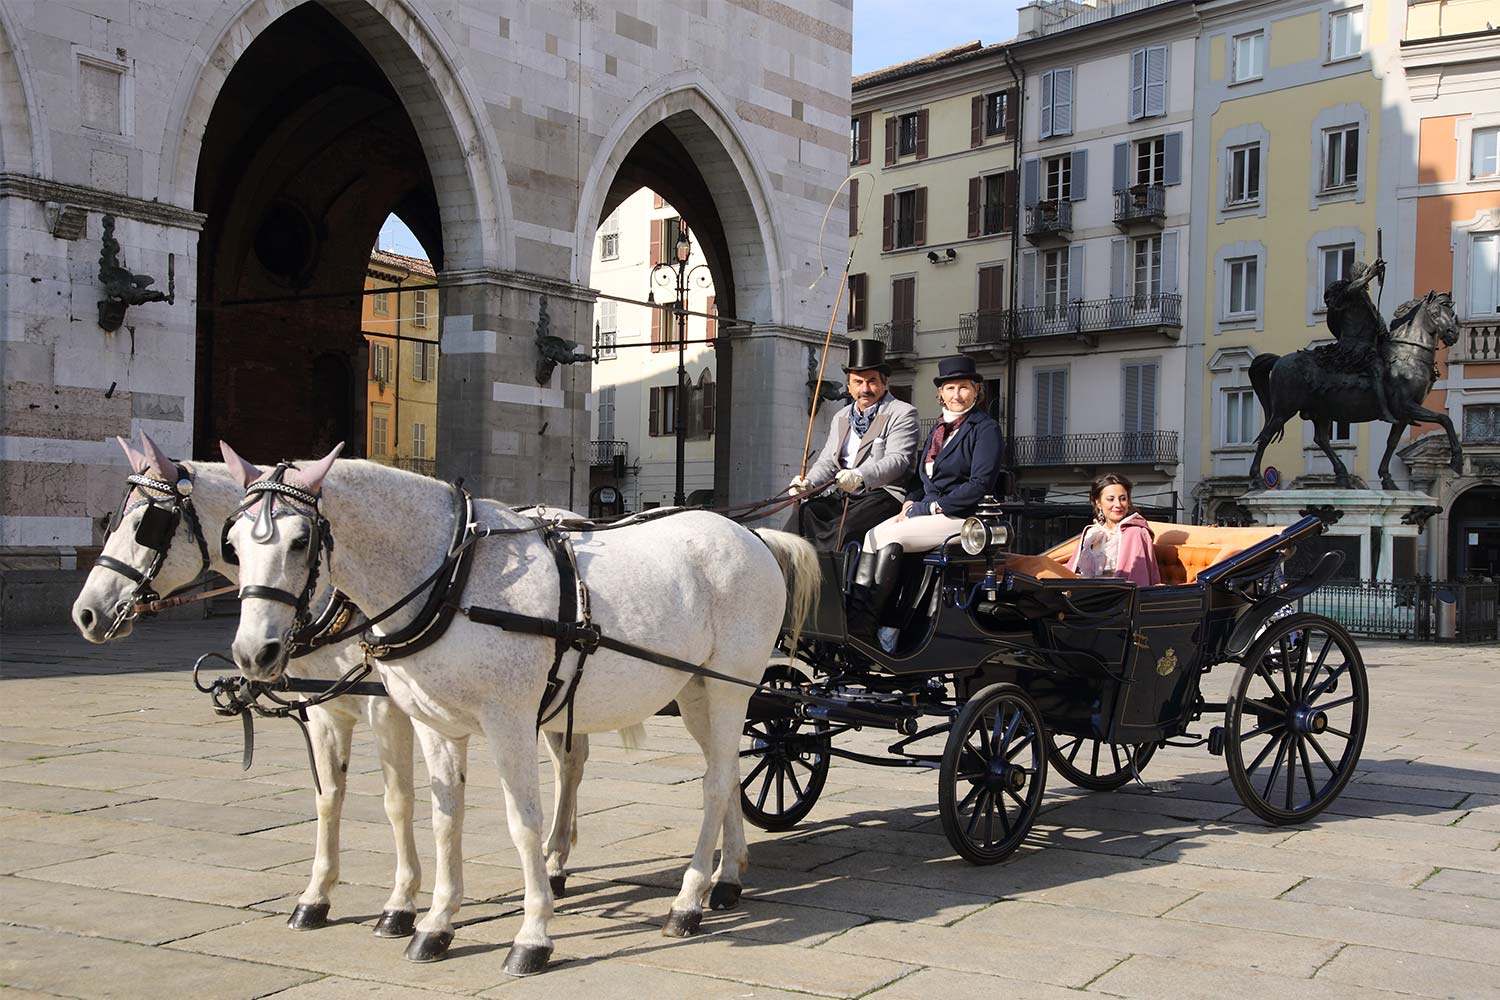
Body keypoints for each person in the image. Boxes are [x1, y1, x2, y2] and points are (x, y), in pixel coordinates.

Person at [850, 356, 1002, 648]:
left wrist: (929, 508)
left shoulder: (985, 429)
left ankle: (879, 628)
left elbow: (979, 485)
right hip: (928, 512)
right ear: (940, 393)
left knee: (888, 536)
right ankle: (862, 620)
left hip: (962, 517)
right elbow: (921, 479)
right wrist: (910, 502)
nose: (956, 395)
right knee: (872, 535)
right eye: (950, 388)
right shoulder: (938, 430)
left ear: (976, 391)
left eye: (964, 388)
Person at [788, 339, 920, 551]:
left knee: (844, 529)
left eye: (872, 381)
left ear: (884, 383)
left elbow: (898, 460)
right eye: (858, 382)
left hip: (883, 495)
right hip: (845, 494)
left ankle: (833, 581)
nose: (865, 389)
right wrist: (809, 483)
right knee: (804, 515)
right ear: (849, 386)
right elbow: (828, 462)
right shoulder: (841, 417)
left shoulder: (902, 413)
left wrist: (859, 476)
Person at [1316, 258, 1395, 423]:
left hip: (1367, 346)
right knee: (1377, 369)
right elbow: (1351, 290)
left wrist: (1383, 332)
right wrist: (1371, 274)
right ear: (1357, 275)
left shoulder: (1364, 298)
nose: (1364, 277)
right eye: (1363, 273)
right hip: (1352, 347)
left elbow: (1376, 320)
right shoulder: (1345, 291)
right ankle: (1383, 410)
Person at [1067, 473, 1161, 587]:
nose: (1118, 504)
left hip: (1119, 598)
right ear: (1098, 503)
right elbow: (1072, 571)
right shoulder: (1091, 533)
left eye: (1123, 499)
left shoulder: (1135, 533)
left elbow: (1139, 578)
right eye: (1111, 499)